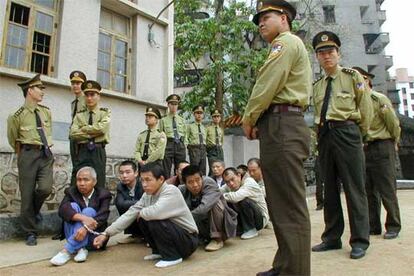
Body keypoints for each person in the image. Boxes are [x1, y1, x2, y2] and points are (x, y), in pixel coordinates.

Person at [242, 1, 312, 275]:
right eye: (258, 19)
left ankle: (295, 271)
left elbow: (268, 82)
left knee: (289, 205)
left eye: (266, 16)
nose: (260, 23)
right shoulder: (284, 45)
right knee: (280, 202)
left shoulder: (285, 43)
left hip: (283, 125)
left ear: (284, 18)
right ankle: (285, 265)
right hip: (279, 123)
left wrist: (249, 116)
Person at [311, 31, 373, 260]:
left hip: (348, 132)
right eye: (321, 52)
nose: (326, 56)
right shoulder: (317, 85)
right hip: (325, 135)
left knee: (355, 187)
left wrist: (361, 136)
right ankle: (331, 237)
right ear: (316, 57)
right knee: (329, 189)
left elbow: (366, 108)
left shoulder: (352, 76)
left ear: (338, 53)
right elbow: (318, 114)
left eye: (330, 51)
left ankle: (359, 240)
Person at [93, 163, 198, 268]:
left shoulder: (171, 191)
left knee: (153, 219)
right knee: (143, 219)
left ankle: (172, 257)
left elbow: (156, 212)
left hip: (188, 240)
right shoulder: (147, 195)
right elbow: (130, 214)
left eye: (148, 180)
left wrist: (141, 212)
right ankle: (158, 251)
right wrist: (106, 233)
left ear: (161, 179)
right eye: (142, 180)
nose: (144, 184)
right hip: (176, 236)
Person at [353, 66, 402, 239]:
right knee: (368, 189)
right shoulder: (356, 103)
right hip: (364, 147)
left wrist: (394, 141)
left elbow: (393, 123)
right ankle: (374, 225)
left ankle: (393, 225)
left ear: (367, 80)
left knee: (386, 187)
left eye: (361, 79)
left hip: (382, 145)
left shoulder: (379, 99)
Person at [7, 73, 54, 246]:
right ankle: (30, 232)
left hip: (45, 154)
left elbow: (48, 133)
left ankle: (32, 212)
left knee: (45, 188)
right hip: (27, 154)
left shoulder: (46, 112)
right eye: (39, 88)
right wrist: (24, 153)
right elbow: (13, 138)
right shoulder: (16, 115)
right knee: (26, 194)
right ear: (29, 90)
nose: (42, 91)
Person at [50, 167, 112, 266]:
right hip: (75, 234)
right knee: (72, 206)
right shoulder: (71, 192)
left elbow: (103, 216)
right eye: (79, 180)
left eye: (86, 180)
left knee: (89, 211)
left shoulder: (103, 194)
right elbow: (62, 210)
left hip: (94, 238)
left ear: (94, 182)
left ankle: (66, 251)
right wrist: (83, 218)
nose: (82, 183)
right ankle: (80, 249)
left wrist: (85, 228)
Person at [179, 165, 237, 252]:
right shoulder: (182, 190)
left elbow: (203, 209)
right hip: (200, 226)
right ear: (185, 183)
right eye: (190, 182)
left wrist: (184, 219)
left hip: (223, 225)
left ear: (202, 178)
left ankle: (217, 239)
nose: (195, 185)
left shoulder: (209, 183)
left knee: (214, 203)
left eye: (197, 180)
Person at [70, 80, 111, 189]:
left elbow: (102, 129)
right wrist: (93, 133)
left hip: (98, 151)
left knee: (98, 182)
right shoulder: (79, 115)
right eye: (87, 95)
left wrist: (83, 129)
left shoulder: (104, 113)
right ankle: (76, 205)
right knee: (78, 180)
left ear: (98, 96)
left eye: (92, 95)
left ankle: (97, 205)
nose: (89, 98)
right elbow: (73, 134)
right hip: (82, 151)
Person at [221, 168, 269, 240]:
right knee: (226, 201)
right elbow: (218, 191)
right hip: (243, 217)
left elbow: (235, 197)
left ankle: (251, 229)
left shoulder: (249, 182)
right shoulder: (228, 185)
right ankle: (239, 228)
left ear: (239, 175)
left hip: (260, 220)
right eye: (227, 182)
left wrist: (219, 197)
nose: (231, 183)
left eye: (232, 179)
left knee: (244, 201)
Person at [115, 160, 144, 244]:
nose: (124, 176)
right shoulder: (120, 186)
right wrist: (138, 204)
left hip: (145, 214)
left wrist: (137, 204)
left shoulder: (142, 184)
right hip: (135, 211)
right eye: (121, 173)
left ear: (136, 173)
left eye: (128, 172)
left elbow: (147, 203)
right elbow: (120, 204)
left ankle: (149, 236)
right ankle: (135, 235)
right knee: (121, 205)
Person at [159, 94, 187, 178]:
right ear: (168, 105)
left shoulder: (182, 120)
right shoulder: (163, 120)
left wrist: (184, 144)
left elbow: (185, 134)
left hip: (180, 144)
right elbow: (160, 134)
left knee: (181, 167)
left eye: (176, 104)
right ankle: (167, 186)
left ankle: (180, 186)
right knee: (166, 168)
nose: (174, 106)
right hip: (168, 144)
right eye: (172, 104)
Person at [69, 70, 87, 185]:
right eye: (73, 83)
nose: (75, 86)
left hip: (83, 139)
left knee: (82, 168)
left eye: (78, 83)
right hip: (73, 138)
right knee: (75, 167)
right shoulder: (73, 103)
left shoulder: (86, 100)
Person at [187, 105, 207, 175]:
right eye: (197, 113)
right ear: (194, 114)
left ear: (203, 114)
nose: (199, 115)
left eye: (201, 113)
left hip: (203, 149)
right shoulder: (190, 126)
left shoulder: (204, 128)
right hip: (194, 149)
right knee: (194, 169)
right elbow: (186, 139)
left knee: (203, 169)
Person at [206, 109, 224, 176]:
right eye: (214, 117)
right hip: (212, 149)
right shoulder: (208, 128)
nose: (216, 118)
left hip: (219, 149)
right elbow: (205, 140)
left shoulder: (220, 129)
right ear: (212, 118)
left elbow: (221, 141)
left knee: (221, 167)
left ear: (220, 117)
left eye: (218, 116)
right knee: (213, 168)